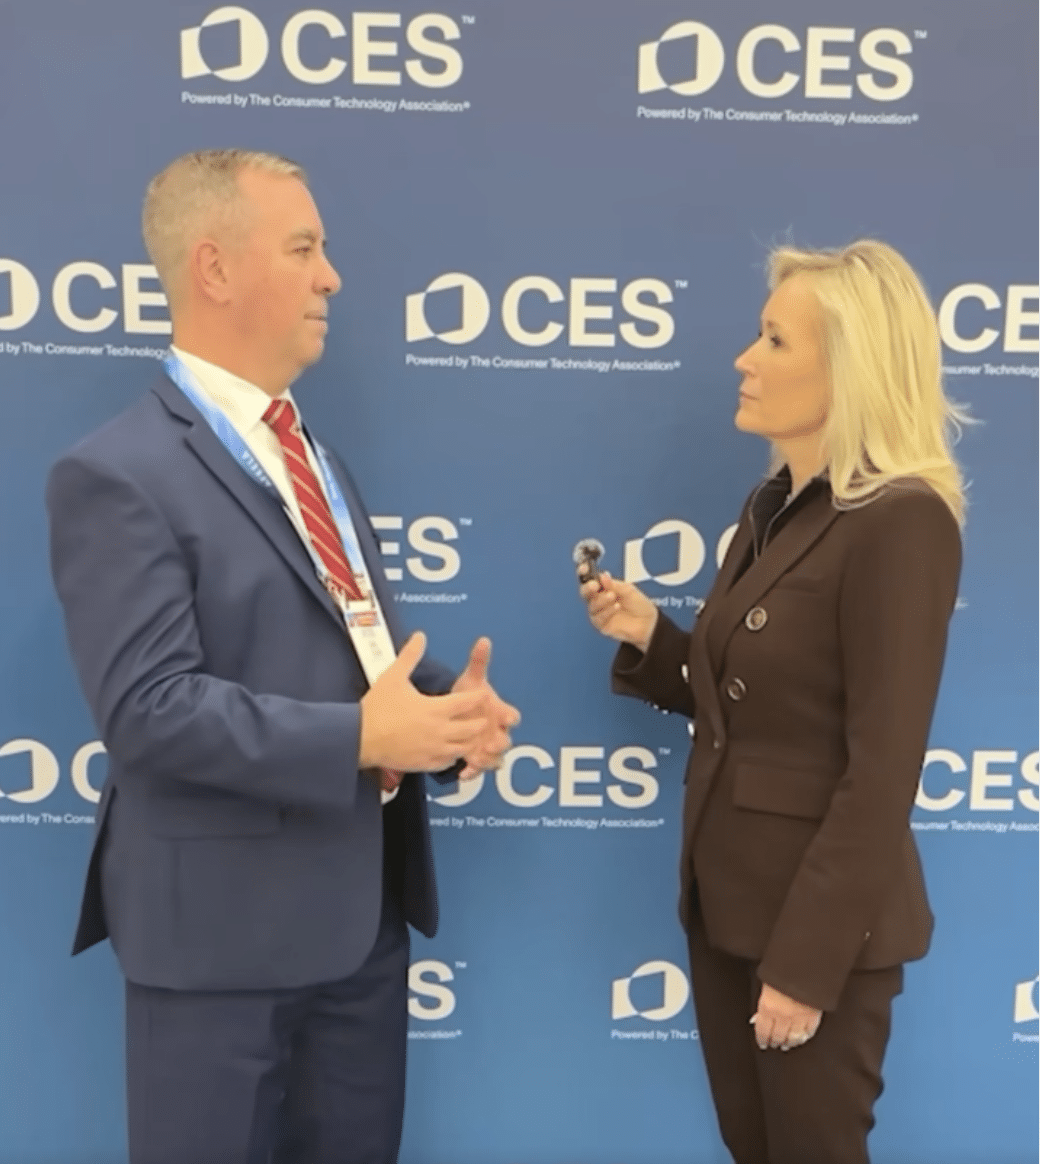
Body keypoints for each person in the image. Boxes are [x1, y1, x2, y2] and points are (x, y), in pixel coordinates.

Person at [46, 149, 519, 1164]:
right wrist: (362, 738)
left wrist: (441, 715)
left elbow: (348, 653)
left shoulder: (314, 456)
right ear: (213, 269)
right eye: (303, 249)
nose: (331, 277)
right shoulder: (116, 473)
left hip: (360, 933)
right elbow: (148, 709)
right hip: (217, 954)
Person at [578, 240, 965, 1164]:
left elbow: (882, 771)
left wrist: (804, 966)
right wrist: (656, 641)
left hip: (810, 935)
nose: (745, 359)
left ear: (850, 370)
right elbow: (751, 710)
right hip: (730, 910)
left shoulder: (902, 521)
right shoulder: (775, 507)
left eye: (776, 341)